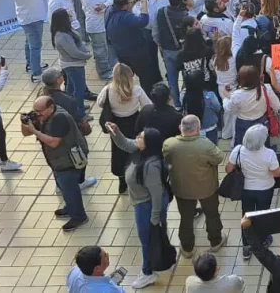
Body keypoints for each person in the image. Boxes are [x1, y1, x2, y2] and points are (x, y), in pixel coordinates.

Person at [106, 124, 169, 289]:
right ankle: (155, 260)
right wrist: (116, 132)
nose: (137, 138)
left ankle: (147, 272)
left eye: (141, 137)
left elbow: (156, 193)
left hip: (147, 206)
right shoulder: (141, 151)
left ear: (148, 143)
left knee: (146, 239)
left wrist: (154, 218)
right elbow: (125, 144)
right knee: (152, 237)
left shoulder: (151, 166)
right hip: (142, 202)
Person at [162, 115, 228, 257]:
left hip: (182, 189)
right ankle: (215, 241)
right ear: (198, 129)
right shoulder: (205, 145)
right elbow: (219, 158)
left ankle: (187, 247)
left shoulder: (170, 144)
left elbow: (166, 158)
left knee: (186, 217)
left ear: (181, 128)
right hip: (207, 188)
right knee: (212, 214)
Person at [21, 95, 89, 231]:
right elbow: (25, 134)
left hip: (69, 160)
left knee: (70, 189)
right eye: (35, 110)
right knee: (63, 186)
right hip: (56, 160)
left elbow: (53, 142)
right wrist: (24, 123)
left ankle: (79, 216)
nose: (37, 114)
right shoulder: (44, 116)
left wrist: (34, 130)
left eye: (40, 111)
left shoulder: (59, 118)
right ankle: (70, 208)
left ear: (51, 107)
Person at [227, 124, 280, 260]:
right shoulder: (269, 154)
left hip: (246, 189)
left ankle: (246, 246)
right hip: (265, 189)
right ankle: (262, 241)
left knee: (246, 216)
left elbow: (228, 169)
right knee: (263, 215)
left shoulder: (238, 150)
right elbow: (276, 173)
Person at [98, 63, 152, 194]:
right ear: (131, 75)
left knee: (119, 152)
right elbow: (148, 105)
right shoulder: (137, 90)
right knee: (136, 149)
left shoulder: (107, 90)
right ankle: (138, 177)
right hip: (135, 122)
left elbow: (100, 103)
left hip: (117, 125)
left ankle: (122, 183)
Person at [4, 0, 53, 82]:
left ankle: (31, 64)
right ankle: (36, 73)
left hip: (30, 17)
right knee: (35, 45)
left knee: (29, 43)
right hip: (32, 18)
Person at [106, 0, 162, 93]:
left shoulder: (110, 11)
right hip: (137, 54)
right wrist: (143, 4)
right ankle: (148, 100)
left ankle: (126, 96)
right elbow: (143, 21)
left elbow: (124, 9)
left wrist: (134, 1)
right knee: (146, 79)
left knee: (126, 78)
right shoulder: (126, 17)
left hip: (121, 53)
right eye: (129, 2)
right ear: (125, 5)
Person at [51, 9, 93, 104]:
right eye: (68, 16)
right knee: (79, 89)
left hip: (72, 65)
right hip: (73, 66)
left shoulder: (65, 31)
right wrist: (87, 55)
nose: (70, 17)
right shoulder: (63, 36)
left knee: (70, 88)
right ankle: (80, 112)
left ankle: (70, 106)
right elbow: (74, 52)